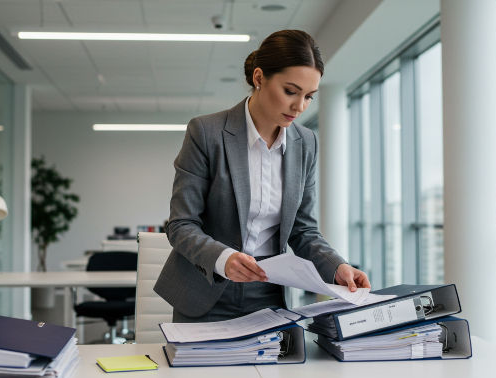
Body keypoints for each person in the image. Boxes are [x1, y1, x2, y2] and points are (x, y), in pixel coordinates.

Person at [154, 30, 370, 323]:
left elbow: (303, 230)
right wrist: (224, 259)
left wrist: (337, 267)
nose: (300, 106)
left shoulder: (305, 143)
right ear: (259, 78)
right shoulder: (207, 133)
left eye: (309, 96)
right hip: (206, 290)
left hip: (269, 293)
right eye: (291, 91)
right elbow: (181, 224)